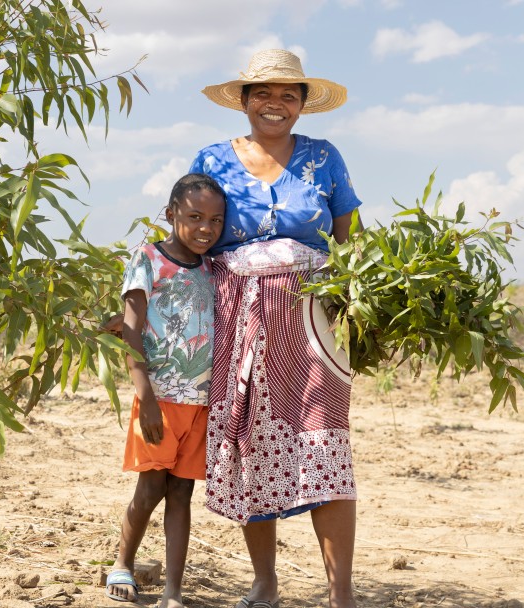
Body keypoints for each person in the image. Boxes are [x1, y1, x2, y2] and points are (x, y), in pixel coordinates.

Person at [189, 49, 364, 608]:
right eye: (263, 92)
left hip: (311, 319)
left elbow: (351, 238)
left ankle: (341, 594)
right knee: (251, 441)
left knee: (324, 440)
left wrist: (360, 303)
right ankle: (265, 581)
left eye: (290, 94)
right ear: (243, 101)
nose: (275, 103)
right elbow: (191, 234)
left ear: (304, 105)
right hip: (235, 317)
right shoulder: (212, 160)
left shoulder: (324, 157)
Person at [106, 173, 226, 608]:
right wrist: (147, 399)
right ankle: (123, 563)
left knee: (181, 493)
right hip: (160, 400)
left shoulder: (215, 267)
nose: (205, 228)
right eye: (194, 217)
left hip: (202, 402)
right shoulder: (149, 258)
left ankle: (172, 592)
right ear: (171, 214)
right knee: (150, 489)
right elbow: (131, 330)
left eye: (215, 220)